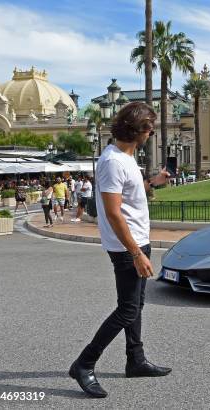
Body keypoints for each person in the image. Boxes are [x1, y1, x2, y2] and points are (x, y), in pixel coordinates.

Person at [69, 102, 171, 399]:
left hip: (139, 240)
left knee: (135, 305)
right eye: (149, 128)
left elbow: (131, 197)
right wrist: (136, 253)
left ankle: (135, 360)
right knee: (127, 308)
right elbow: (113, 213)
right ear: (135, 129)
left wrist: (155, 183)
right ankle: (84, 363)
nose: (152, 133)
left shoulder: (126, 158)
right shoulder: (112, 161)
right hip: (128, 246)